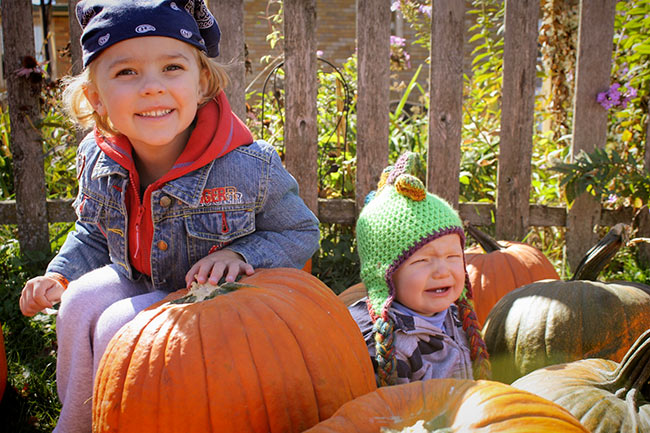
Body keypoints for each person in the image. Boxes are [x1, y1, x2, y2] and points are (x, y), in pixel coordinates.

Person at [18, 1, 320, 431]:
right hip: (141, 275)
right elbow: (93, 232)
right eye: (126, 72)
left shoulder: (249, 166)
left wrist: (242, 254)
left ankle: (127, 422)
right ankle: (80, 418)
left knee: (118, 325)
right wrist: (60, 275)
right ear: (95, 98)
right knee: (79, 302)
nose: (152, 87)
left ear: (202, 85)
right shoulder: (99, 159)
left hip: (216, 306)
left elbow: (300, 231)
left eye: (172, 68)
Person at [348, 152, 490, 386]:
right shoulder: (386, 344)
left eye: (453, 256)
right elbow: (390, 415)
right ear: (385, 275)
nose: (442, 271)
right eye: (423, 261)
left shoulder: (456, 318)